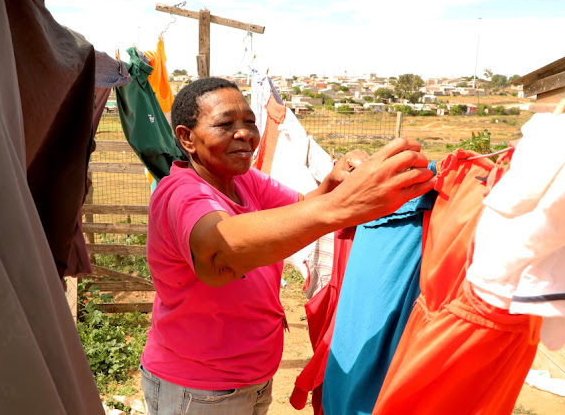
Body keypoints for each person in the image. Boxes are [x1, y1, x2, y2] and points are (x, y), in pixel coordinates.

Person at [139, 77, 435, 414]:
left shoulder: (243, 180)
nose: (245, 134)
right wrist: (343, 205)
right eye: (225, 124)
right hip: (198, 387)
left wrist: (333, 183)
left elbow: (303, 206)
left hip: (252, 377)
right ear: (187, 138)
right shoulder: (180, 193)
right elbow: (220, 253)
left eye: (250, 122)